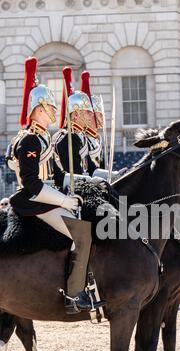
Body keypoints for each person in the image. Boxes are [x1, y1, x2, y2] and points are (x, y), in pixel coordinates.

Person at [7, 57, 104, 315]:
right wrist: (62, 201)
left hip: (46, 195)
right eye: (49, 106)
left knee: (85, 220)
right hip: (32, 200)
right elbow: (32, 184)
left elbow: (58, 175)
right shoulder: (29, 141)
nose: (53, 111)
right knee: (81, 234)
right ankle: (74, 295)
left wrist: (89, 182)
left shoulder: (43, 138)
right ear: (37, 109)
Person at [53, 67, 97, 177]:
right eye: (87, 112)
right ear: (76, 115)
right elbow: (75, 175)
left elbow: (91, 168)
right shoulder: (67, 140)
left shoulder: (81, 136)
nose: (90, 115)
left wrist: (114, 175)